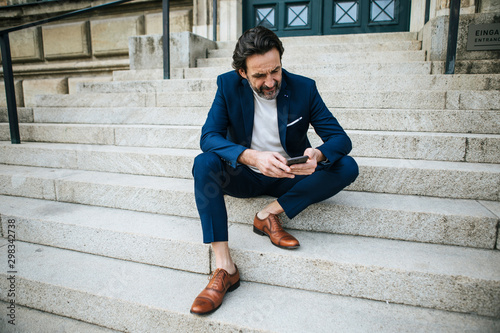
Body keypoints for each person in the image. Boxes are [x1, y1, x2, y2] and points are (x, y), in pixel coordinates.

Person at [190, 26, 358, 315]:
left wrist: (316, 155)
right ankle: (224, 268)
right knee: (203, 163)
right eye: (259, 75)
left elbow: (340, 139)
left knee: (345, 165)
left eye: (275, 71)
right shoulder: (227, 86)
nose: (270, 82)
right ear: (243, 73)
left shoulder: (304, 87)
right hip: (243, 174)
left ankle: (268, 214)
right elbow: (209, 137)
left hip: (289, 176)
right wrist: (251, 157)